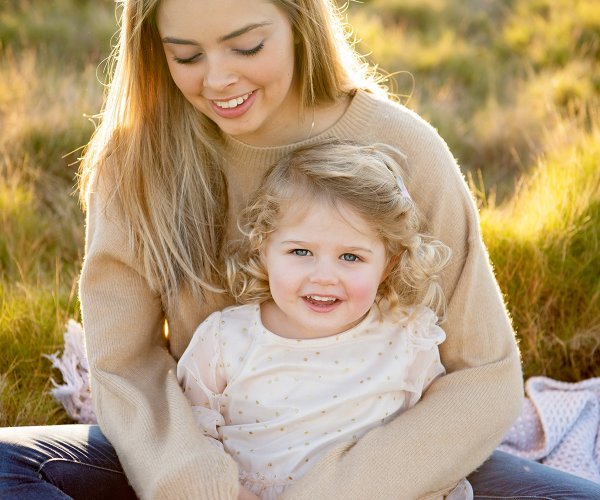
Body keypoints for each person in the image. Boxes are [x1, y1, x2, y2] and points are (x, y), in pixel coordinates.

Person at [1, 0, 599, 498]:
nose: (216, 79)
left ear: (298, 22)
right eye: (185, 55)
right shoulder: (138, 162)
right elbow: (124, 365)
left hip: (386, 464)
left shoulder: (401, 149)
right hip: (208, 455)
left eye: (247, 47)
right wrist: (196, 482)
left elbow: (485, 375)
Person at [177, 140, 472, 500]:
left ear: (388, 265)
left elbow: (432, 436)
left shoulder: (406, 339)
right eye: (301, 251)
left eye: (350, 257)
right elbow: (191, 439)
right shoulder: (226, 339)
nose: (324, 276)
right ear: (263, 248)